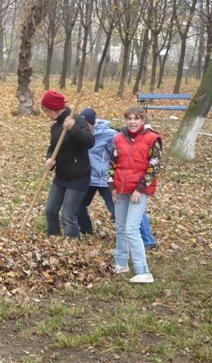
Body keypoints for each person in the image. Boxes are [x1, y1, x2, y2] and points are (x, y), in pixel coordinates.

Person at [76, 107, 158, 249]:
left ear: (92, 123)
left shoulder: (109, 135)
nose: (83, 127)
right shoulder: (80, 133)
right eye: (80, 124)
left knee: (120, 210)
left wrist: (114, 180)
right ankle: (86, 229)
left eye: (86, 124)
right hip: (88, 177)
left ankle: (147, 239)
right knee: (78, 205)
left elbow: (117, 158)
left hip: (104, 179)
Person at [109, 106, 162, 284]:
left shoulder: (152, 139)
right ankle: (121, 263)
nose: (132, 122)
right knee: (120, 227)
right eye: (129, 118)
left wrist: (140, 189)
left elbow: (154, 167)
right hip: (121, 189)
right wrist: (112, 186)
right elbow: (113, 163)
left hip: (139, 190)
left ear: (142, 120)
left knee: (131, 228)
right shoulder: (118, 138)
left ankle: (143, 271)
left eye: (136, 118)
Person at [42, 90, 95, 238]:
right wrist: (49, 159)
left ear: (52, 109)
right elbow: (52, 148)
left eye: (46, 110)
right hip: (61, 176)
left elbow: (89, 142)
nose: (46, 114)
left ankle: (71, 244)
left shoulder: (77, 121)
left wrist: (73, 129)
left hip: (79, 177)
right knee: (51, 210)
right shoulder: (55, 127)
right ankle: (53, 239)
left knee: (67, 214)